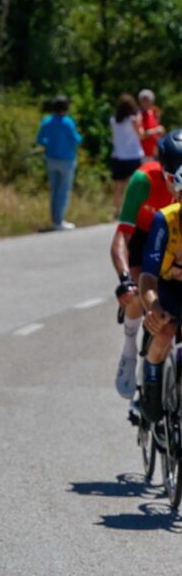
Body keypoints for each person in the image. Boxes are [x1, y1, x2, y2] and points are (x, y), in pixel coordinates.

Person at [110, 135, 177, 400]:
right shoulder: (143, 180)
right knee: (139, 291)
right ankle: (129, 350)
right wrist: (125, 278)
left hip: (174, 240)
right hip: (142, 238)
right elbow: (122, 236)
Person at [135, 130, 182, 425]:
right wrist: (152, 306)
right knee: (164, 330)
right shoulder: (164, 220)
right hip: (166, 287)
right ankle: (151, 377)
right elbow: (148, 277)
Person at [35, 94, 82, 231]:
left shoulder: (47, 121)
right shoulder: (68, 122)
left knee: (54, 190)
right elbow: (76, 140)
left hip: (51, 159)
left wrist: (49, 145)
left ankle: (54, 219)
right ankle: (59, 221)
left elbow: (40, 139)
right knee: (63, 191)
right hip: (67, 160)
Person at [110, 93, 145, 215]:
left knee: (118, 185)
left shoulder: (114, 120)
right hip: (132, 155)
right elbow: (141, 134)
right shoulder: (133, 119)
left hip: (118, 155)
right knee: (133, 185)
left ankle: (116, 210)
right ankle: (132, 209)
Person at [138, 89, 165, 159]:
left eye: (148, 100)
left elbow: (159, 132)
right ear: (140, 102)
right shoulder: (138, 115)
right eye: (144, 100)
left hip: (155, 153)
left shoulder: (154, 112)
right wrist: (156, 130)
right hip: (143, 154)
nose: (147, 103)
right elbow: (141, 135)